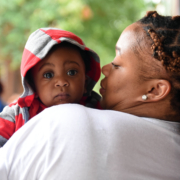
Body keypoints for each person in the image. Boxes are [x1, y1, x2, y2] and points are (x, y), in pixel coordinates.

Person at [0, 11, 180, 179]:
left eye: (117, 64)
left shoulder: (67, 120)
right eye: (48, 75)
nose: (105, 69)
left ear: (154, 90)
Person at [0, 28, 101, 147]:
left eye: (72, 72)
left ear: (85, 81)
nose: (62, 82)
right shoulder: (15, 116)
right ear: (32, 86)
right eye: (48, 75)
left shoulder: (99, 110)